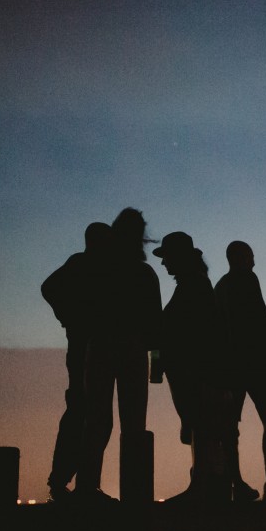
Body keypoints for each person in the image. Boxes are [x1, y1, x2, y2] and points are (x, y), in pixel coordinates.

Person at [78, 208, 163, 504]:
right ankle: (135, 493)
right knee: (133, 424)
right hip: (131, 349)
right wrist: (157, 365)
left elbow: (79, 303)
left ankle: (87, 489)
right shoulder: (143, 273)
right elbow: (155, 325)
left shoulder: (97, 268)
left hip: (99, 346)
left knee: (97, 420)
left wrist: (76, 327)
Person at [152, 232, 234, 509]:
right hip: (200, 372)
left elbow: (187, 331)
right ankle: (206, 485)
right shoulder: (196, 284)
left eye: (167, 258)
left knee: (202, 426)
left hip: (197, 373)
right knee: (203, 428)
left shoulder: (193, 287)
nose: (164, 265)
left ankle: (202, 486)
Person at [214, 241, 266, 502]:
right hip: (255, 362)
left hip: (231, 364)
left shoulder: (221, 286)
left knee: (229, 426)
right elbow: (258, 315)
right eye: (250, 256)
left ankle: (236, 482)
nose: (254, 262)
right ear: (241, 258)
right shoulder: (247, 278)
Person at [41, 221, 113, 503]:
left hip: (90, 348)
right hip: (84, 349)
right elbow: (49, 287)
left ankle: (72, 482)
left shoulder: (92, 266)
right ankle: (68, 482)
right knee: (86, 413)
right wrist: (68, 317)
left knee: (87, 413)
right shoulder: (83, 264)